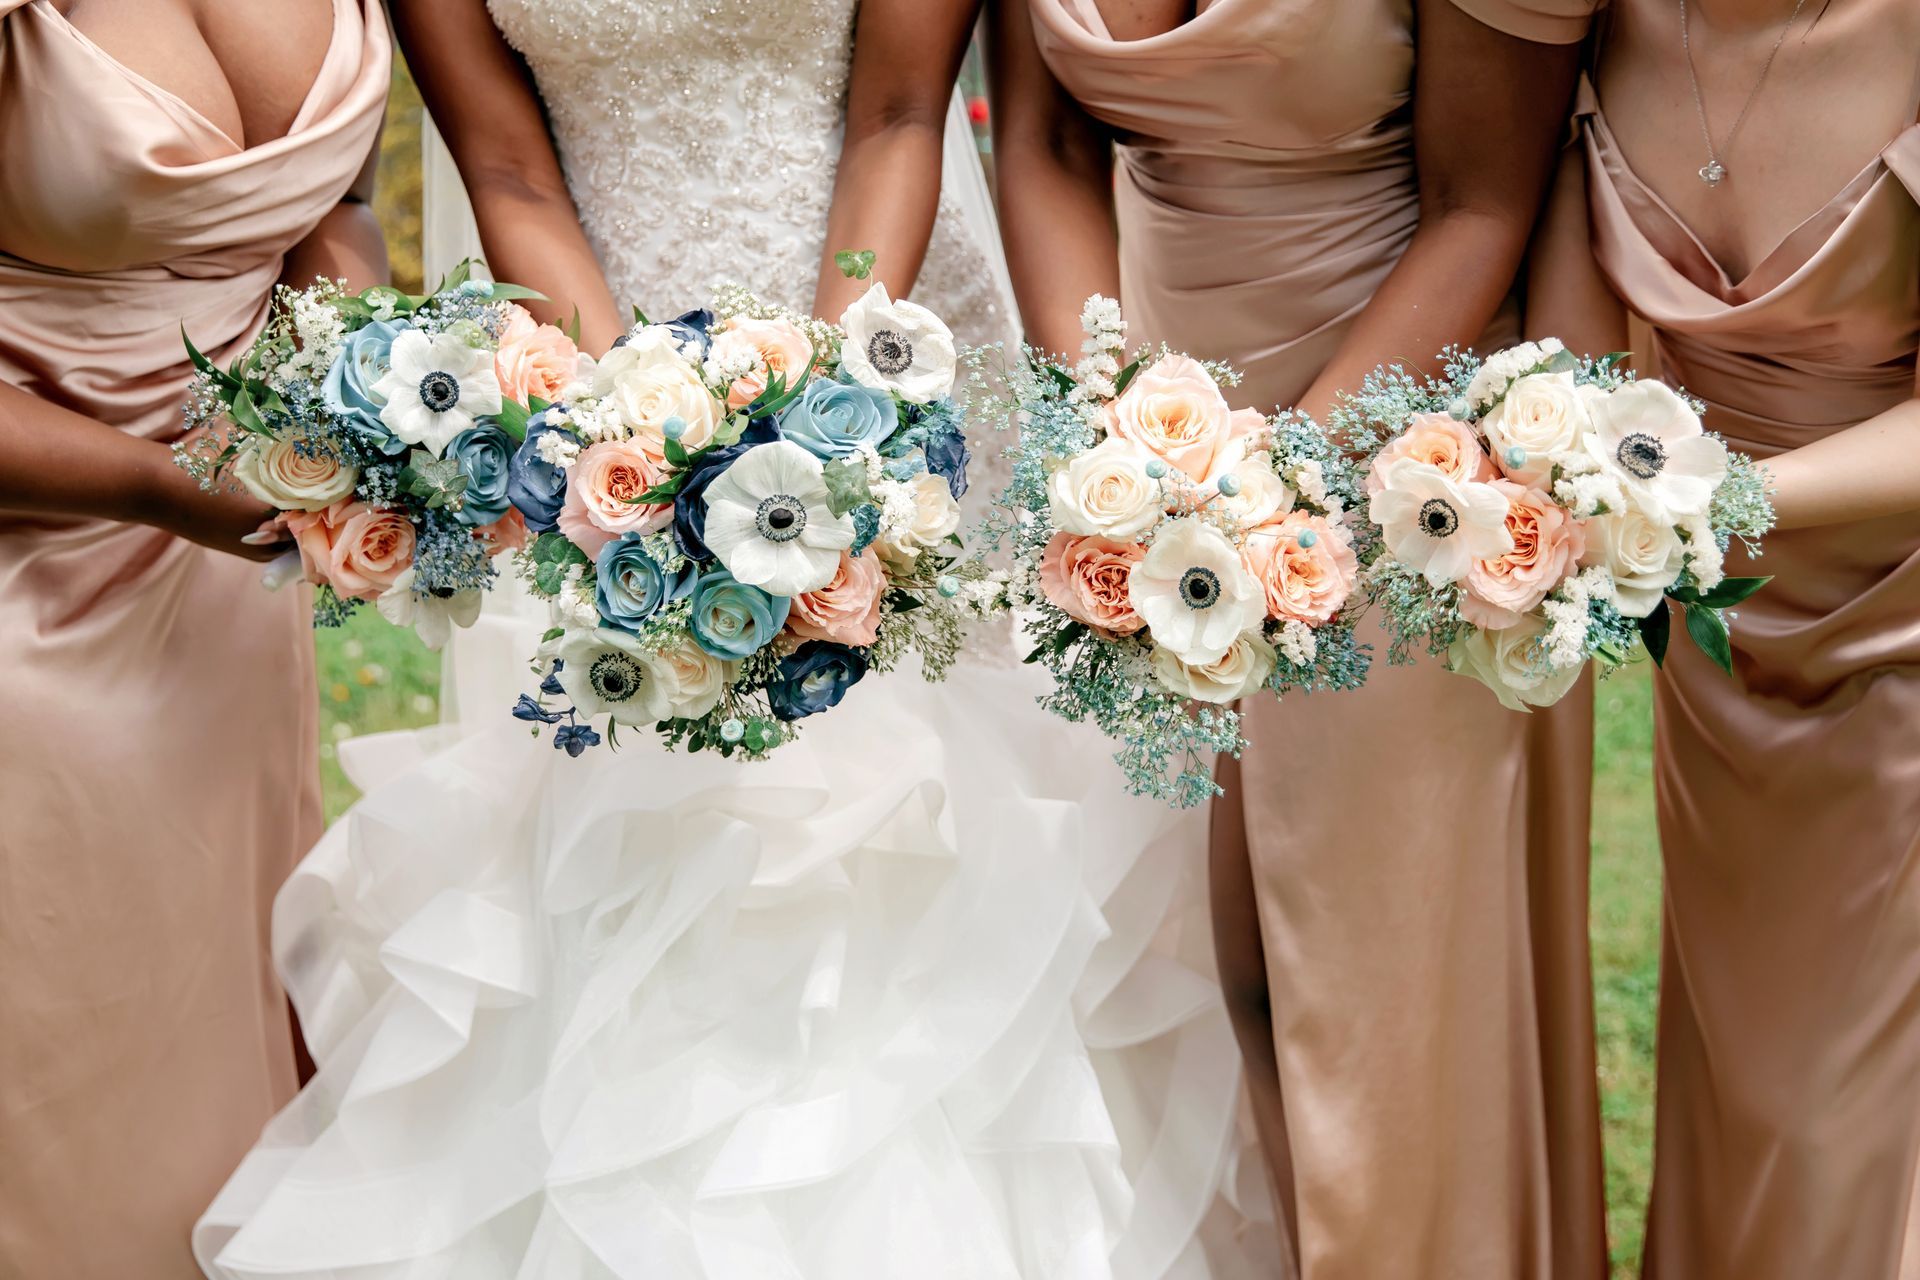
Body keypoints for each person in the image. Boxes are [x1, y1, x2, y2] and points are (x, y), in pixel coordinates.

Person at [194, 2, 1263, 1275]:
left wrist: (817, 401)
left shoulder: (859, 361)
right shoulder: (610, 419)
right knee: (651, 862)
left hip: (882, 347)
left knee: (909, 854)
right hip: (600, 395)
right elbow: (507, 168)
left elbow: (900, 113)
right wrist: (640, 430)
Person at [988, 1, 1608, 1274]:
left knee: (1362, 978)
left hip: (1398, 428)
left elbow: (1485, 202)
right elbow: (1042, 140)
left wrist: (1280, 480)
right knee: (1208, 956)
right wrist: (1119, 435)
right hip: (1158, 422)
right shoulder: (1134, 449)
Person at [1528, 1, 1920, 1275]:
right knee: (1748, 1100)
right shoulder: (1607, 27)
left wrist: (1711, 506)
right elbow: (1575, 377)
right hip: (1719, 652)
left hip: (1902, 625)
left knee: (1844, 1123)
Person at [0, 1, 388, 1274]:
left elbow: (335, 213)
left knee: (219, 1034)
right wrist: (167, 486)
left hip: (231, 602)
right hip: (41, 587)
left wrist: (367, 397)